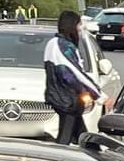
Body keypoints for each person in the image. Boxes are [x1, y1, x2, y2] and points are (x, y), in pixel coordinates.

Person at [43, 10, 101, 145]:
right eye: (79, 24)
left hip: (61, 99)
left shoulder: (52, 44)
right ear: (72, 25)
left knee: (83, 137)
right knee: (64, 140)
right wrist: (99, 95)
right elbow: (74, 75)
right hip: (68, 101)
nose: (81, 28)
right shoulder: (64, 46)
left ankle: (93, 155)